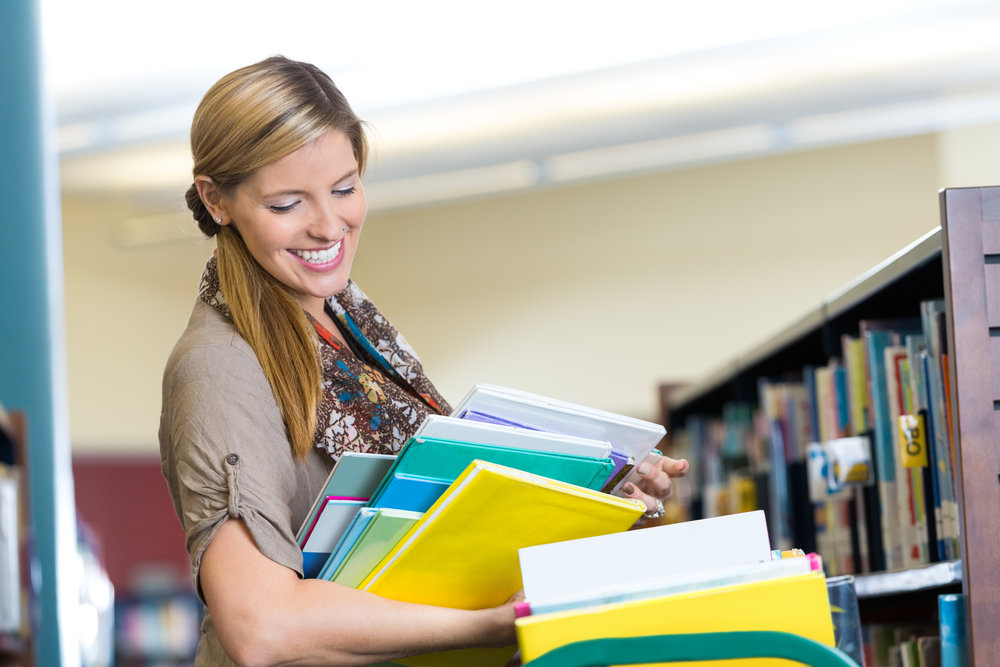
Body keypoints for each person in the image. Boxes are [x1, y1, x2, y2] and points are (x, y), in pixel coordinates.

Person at [159, 55, 689, 667]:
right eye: (286, 205)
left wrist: (599, 498)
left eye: (344, 188)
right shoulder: (219, 368)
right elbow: (262, 628)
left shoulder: (353, 324)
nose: (329, 225)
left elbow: (434, 529)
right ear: (216, 200)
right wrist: (490, 625)